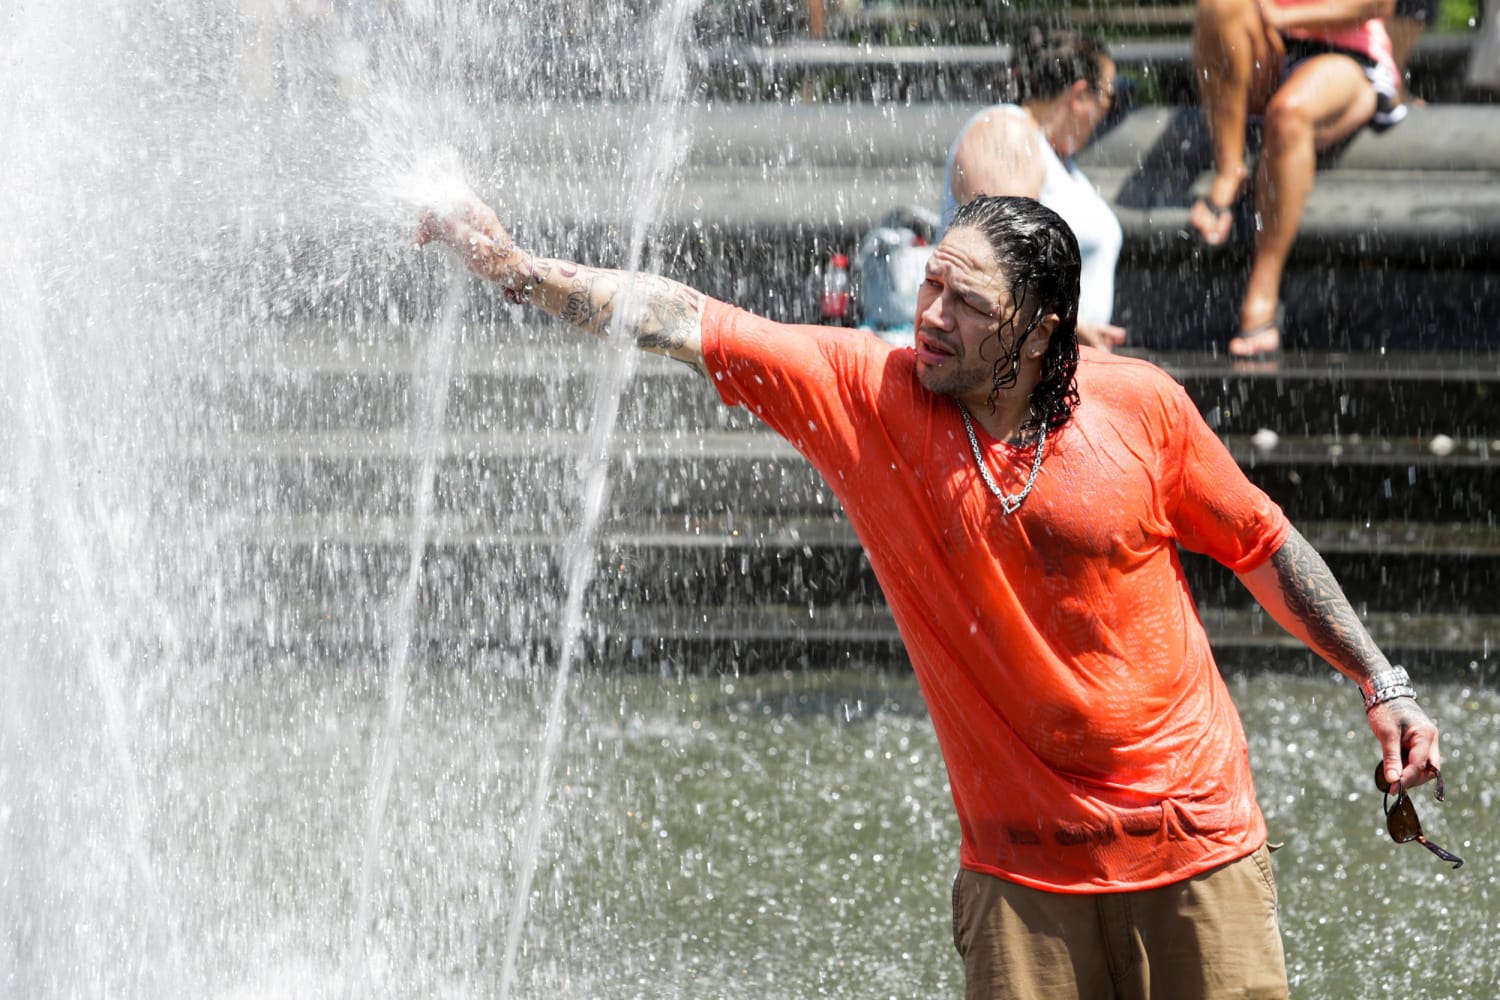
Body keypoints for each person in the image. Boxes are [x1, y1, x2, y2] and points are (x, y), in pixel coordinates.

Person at [418, 192, 1445, 998]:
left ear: (1039, 333)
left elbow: (1262, 543)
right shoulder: (870, 395)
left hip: (1199, 855)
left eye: (966, 302)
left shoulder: (1142, 409)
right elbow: (687, 320)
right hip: (1020, 883)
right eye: (930, 286)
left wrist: (1379, 678)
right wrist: (515, 271)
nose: (930, 318)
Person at [1191, 0, 1406, 356]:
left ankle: (1264, 287)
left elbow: (1379, 4)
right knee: (1219, 5)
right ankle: (1230, 168)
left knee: (1288, 114)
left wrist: (1284, 17)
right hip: (1272, 54)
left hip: (1345, 57)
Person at [940, 27, 1126, 352]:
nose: (1109, 109)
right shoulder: (1007, 131)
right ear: (1080, 94)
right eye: (1109, 95)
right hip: (1008, 366)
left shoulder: (1056, 157)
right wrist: (1071, 326)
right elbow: (1005, 256)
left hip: (1043, 362)